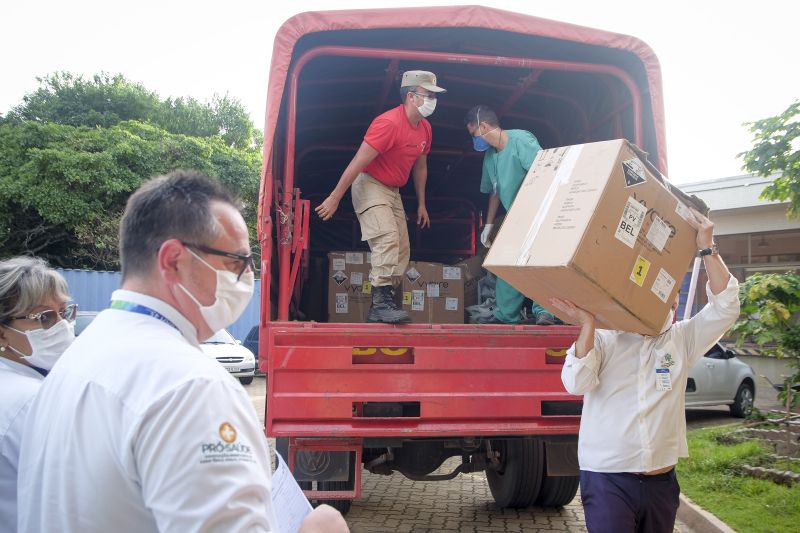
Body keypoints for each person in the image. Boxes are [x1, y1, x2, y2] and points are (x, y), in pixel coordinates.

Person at [17, 171, 348, 533]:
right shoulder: (191, 387)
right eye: (236, 262)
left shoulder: (74, 362)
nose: (247, 278)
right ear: (174, 260)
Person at [552, 208, 740, 533]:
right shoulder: (605, 337)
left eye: (670, 292)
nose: (667, 299)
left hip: (661, 481)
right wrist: (587, 326)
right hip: (608, 478)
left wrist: (707, 248)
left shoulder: (681, 339)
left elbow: (726, 307)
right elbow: (575, 383)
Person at [315, 70, 446, 324]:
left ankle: (385, 298)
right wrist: (335, 197)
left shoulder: (425, 129)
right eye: (428, 94)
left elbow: (420, 167)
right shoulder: (388, 124)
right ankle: (379, 304)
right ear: (411, 96)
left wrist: (421, 204)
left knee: (402, 249)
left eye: (434, 95)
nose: (433, 100)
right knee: (386, 238)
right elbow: (358, 161)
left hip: (393, 191)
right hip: (370, 183)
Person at [0, 256, 76, 530]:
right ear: (2, 334)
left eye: (64, 312)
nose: (62, 326)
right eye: (44, 317)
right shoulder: (31, 401)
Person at [464, 105, 555, 325]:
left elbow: (544, 172)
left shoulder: (521, 140)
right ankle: (506, 314)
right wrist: (488, 225)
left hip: (538, 210)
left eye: (474, 133)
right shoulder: (490, 157)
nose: (474, 140)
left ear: (484, 126)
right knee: (505, 260)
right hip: (515, 216)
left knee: (537, 261)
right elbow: (494, 191)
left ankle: (545, 311)